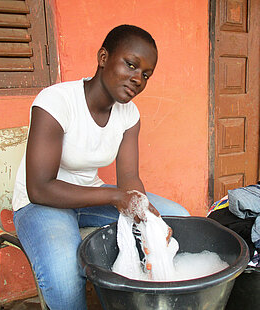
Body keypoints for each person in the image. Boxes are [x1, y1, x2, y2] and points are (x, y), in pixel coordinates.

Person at [12, 24, 190, 309]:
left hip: (89, 195)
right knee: (65, 273)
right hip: (41, 203)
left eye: (146, 74)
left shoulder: (129, 114)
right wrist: (117, 197)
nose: (137, 80)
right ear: (103, 57)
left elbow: (129, 178)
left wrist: (146, 214)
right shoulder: (56, 102)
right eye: (131, 65)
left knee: (177, 218)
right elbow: (39, 188)